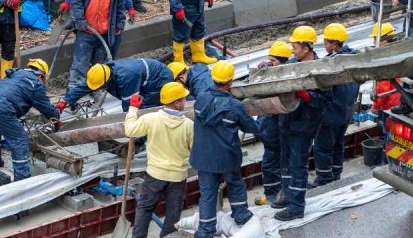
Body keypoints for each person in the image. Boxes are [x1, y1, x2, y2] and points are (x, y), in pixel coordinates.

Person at [191, 61, 259, 238]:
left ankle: (205, 230)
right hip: (227, 157)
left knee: (207, 193)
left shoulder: (201, 99)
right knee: (235, 184)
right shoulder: (234, 106)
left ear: (213, 79)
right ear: (230, 82)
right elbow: (251, 127)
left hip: (203, 157)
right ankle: (241, 215)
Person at [273, 26, 332, 221]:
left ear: (306, 48)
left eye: (295, 46)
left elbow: (325, 100)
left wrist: (307, 96)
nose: (292, 50)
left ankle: (296, 207)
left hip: (304, 125)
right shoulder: (291, 64)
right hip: (287, 121)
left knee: (297, 165)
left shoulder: (320, 69)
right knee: (285, 163)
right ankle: (288, 196)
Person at [125, 82, 193, 238]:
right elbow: (195, 150)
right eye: (183, 99)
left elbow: (130, 130)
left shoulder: (151, 119)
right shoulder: (189, 126)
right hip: (177, 177)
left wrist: (133, 108)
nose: (185, 102)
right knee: (173, 214)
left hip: (155, 175)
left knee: (145, 209)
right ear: (176, 103)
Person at [0, 59, 59, 181]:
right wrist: (56, 116)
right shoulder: (36, 84)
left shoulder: (15, 74)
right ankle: (22, 178)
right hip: (1, 108)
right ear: (41, 75)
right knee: (19, 140)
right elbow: (46, 108)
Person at [66, 0, 126, 93]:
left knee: (101, 64)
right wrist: (79, 20)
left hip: (105, 31)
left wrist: (119, 22)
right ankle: (75, 89)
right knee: (81, 62)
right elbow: (76, 1)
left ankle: (97, 89)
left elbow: (120, 3)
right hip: (86, 30)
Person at [310, 24, 360, 188]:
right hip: (345, 113)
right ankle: (336, 174)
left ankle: (324, 179)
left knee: (323, 147)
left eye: (325, 42)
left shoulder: (331, 64)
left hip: (330, 114)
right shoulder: (353, 57)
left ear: (333, 44)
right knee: (338, 144)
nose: (324, 45)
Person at [254, 41, 292, 206]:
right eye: (268, 60)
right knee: (270, 166)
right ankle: (273, 192)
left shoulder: (284, 80)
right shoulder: (270, 75)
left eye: (273, 61)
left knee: (273, 166)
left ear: (283, 62)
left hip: (277, 134)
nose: (269, 64)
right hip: (269, 131)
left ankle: (275, 194)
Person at [57, 58, 173, 112]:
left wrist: (126, 127)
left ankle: (140, 140)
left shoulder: (126, 78)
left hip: (159, 81)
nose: (99, 89)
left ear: (106, 82)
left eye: (100, 87)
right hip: (144, 78)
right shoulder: (104, 72)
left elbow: (129, 106)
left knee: (141, 106)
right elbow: (85, 86)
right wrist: (66, 100)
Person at [369, 22, 402, 115]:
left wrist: (375, 106)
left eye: (375, 39)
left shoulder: (384, 60)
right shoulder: (396, 52)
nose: (374, 42)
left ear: (384, 40)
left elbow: (383, 88)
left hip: (388, 106)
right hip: (396, 100)